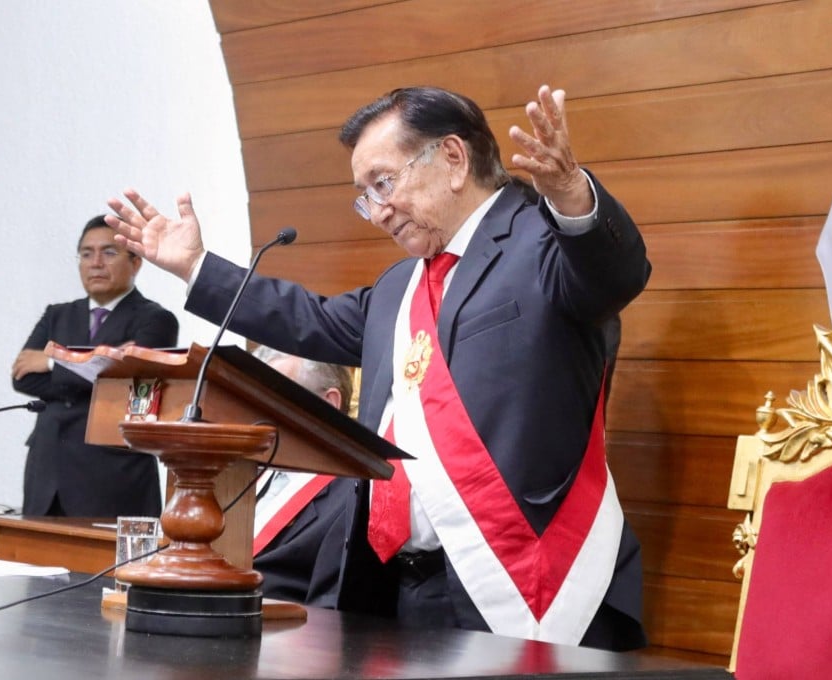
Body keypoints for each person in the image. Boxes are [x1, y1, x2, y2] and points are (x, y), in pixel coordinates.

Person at [106, 84, 650, 650]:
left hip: (526, 575)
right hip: (401, 588)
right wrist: (196, 267)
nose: (378, 211)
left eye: (383, 183)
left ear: (454, 159)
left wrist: (571, 195)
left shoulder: (544, 239)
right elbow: (306, 319)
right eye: (364, 196)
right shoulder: (400, 287)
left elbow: (617, 274)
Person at [11, 215, 179, 517]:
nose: (96, 262)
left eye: (109, 252)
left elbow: (134, 386)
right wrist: (105, 363)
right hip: (47, 469)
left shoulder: (155, 320)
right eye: (86, 254)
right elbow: (23, 379)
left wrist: (52, 362)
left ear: (136, 262)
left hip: (111, 474)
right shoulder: (57, 315)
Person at [250, 346, 355, 607]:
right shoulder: (241, 472)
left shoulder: (352, 493)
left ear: (328, 403)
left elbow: (330, 606)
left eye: (276, 397)